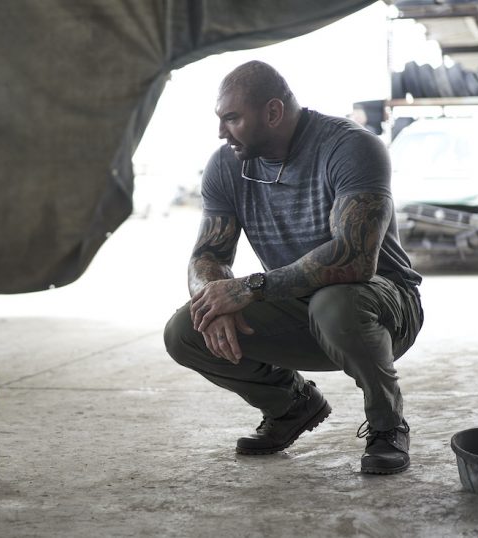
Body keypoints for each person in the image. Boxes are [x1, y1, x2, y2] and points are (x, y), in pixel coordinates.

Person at [163, 61, 424, 475]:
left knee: (334, 302)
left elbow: (355, 258)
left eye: (232, 118)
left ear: (272, 112)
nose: (221, 132)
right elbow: (206, 256)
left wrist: (249, 287)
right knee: (186, 329)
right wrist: (214, 295)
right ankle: (291, 405)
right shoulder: (227, 165)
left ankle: (388, 425)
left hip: (383, 302)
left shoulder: (351, 147)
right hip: (296, 300)